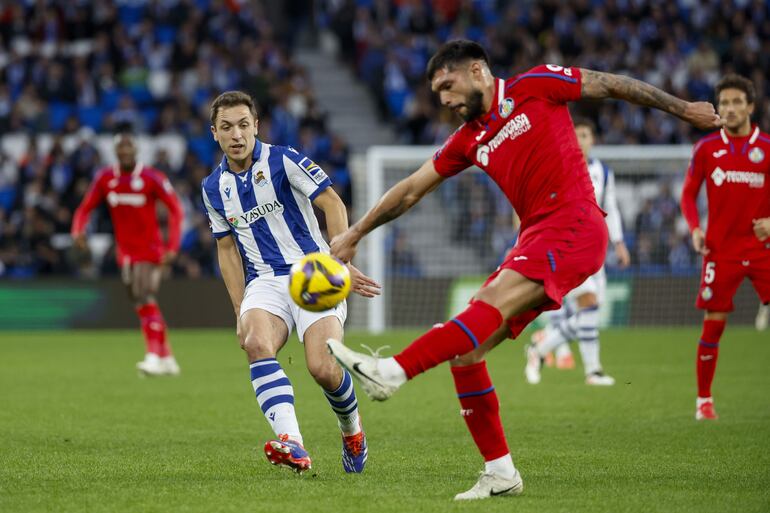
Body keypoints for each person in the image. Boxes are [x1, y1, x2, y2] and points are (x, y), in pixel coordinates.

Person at [326, 40, 721, 500]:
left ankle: (394, 370)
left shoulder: (536, 85)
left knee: (484, 309)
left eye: (448, 86)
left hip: (574, 221)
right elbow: (412, 189)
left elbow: (612, 84)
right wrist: (356, 232)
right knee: (467, 351)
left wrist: (683, 109)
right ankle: (500, 472)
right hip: (534, 236)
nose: (445, 101)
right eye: (438, 94)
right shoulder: (468, 138)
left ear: (477, 70)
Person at [201, 91, 381, 474]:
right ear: (214, 133)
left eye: (244, 125)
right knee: (254, 342)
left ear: (256, 127)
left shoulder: (284, 159)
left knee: (322, 368)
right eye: (227, 127)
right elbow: (227, 250)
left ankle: (353, 432)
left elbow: (333, 203)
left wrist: (339, 263)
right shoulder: (213, 187)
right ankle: (293, 444)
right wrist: (239, 309)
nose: (237, 135)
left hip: (312, 273)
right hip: (264, 282)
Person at [680, 74, 770, 421]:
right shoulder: (706, 148)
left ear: (750, 106)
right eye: (724, 103)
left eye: (736, 102)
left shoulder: (767, 149)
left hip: (762, 250)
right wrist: (695, 230)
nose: (730, 109)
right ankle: (704, 401)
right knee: (713, 324)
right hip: (720, 251)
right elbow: (688, 194)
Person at [525, 117, 631, 386]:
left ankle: (540, 349)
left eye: (585, 135)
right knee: (589, 305)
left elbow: (611, 209)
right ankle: (592, 372)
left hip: (597, 253)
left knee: (590, 312)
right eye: (576, 135)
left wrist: (618, 243)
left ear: (592, 140)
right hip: (568, 250)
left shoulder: (604, 173)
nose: (580, 140)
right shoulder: (559, 169)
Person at [71, 131, 183, 376]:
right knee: (140, 302)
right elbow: (85, 207)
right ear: (115, 151)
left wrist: (172, 247)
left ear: (136, 149)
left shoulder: (152, 177)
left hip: (151, 251)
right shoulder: (105, 178)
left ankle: (153, 355)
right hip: (126, 253)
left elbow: (176, 209)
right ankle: (167, 357)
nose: (124, 151)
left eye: (128, 146)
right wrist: (77, 231)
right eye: (120, 147)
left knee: (144, 295)